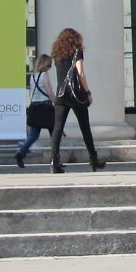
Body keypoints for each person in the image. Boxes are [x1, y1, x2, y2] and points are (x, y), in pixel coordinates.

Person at [46, 26, 103, 173]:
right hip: (75, 94)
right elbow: (80, 73)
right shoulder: (77, 51)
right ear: (75, 39)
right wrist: (88, 92)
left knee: (57, 128)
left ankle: (55, 162)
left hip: (61, 95)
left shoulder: (57, 54)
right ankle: (93, 160)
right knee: (85, 127)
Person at [11, 54, 56, 168]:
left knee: (33, 135)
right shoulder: (44, 75)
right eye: (49, 65)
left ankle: (21, 153)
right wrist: (57, 101)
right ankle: (55, 159)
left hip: (35, 108)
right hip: (46, 108)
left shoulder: (32, 77)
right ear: (44, 65)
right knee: (55, 134)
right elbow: (49, 92)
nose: (50, 67)